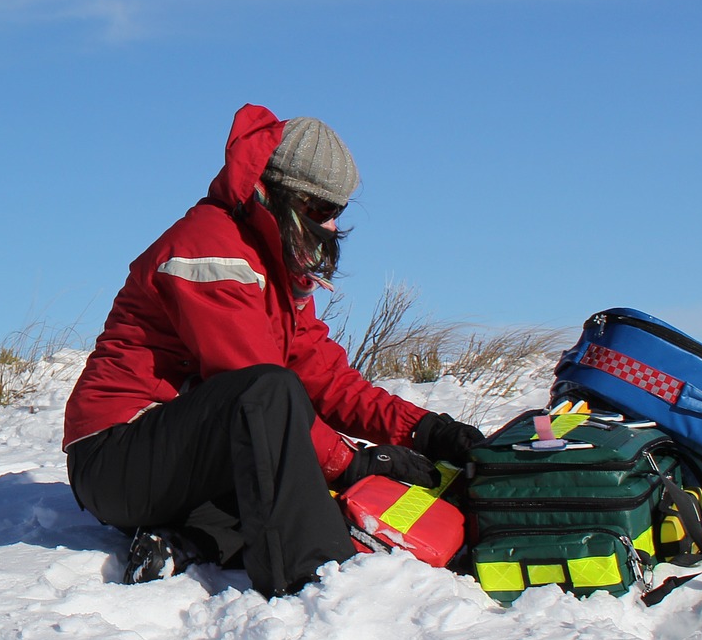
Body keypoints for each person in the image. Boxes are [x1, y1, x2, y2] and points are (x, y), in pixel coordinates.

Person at [62, 104, 485, 597]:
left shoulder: (274, 268)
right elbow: (258, 390)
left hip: (179, 455)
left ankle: (189, 540)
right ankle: (318, 578)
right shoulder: (212, 251)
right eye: (321, 210)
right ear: (274, 194)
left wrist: (425, 429)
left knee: (296, 471)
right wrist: (354, 463)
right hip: (117, 458)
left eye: (338, 212)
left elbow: (326, 378)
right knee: (274, 406)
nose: (330, 227)